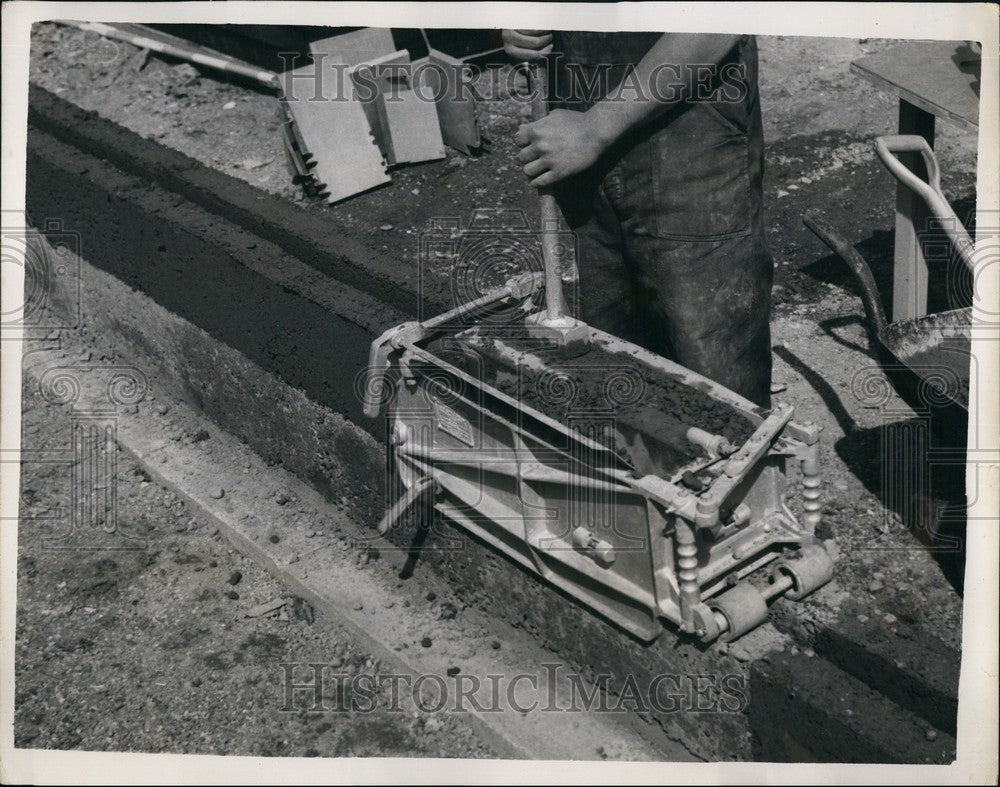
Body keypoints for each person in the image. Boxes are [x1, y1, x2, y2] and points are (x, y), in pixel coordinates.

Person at [502, 30, 774, 408]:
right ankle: (643, 464)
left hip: (687, 119)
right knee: (617, 363)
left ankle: (735, 463)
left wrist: (597, 126)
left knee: (715, 381)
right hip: (578, 115)